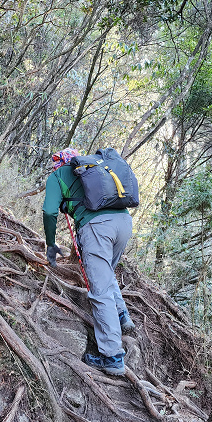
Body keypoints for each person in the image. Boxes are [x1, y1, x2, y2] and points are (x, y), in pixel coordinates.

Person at [42, 147, 136, 376]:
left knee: (99, 290)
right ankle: (121, 315)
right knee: (105, 273)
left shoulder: (57, 176)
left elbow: (48, 211)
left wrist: (51, 242)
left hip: (97, 229)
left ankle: (112, 356)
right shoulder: (94, 167)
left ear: (58, 163)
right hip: (123, 222)